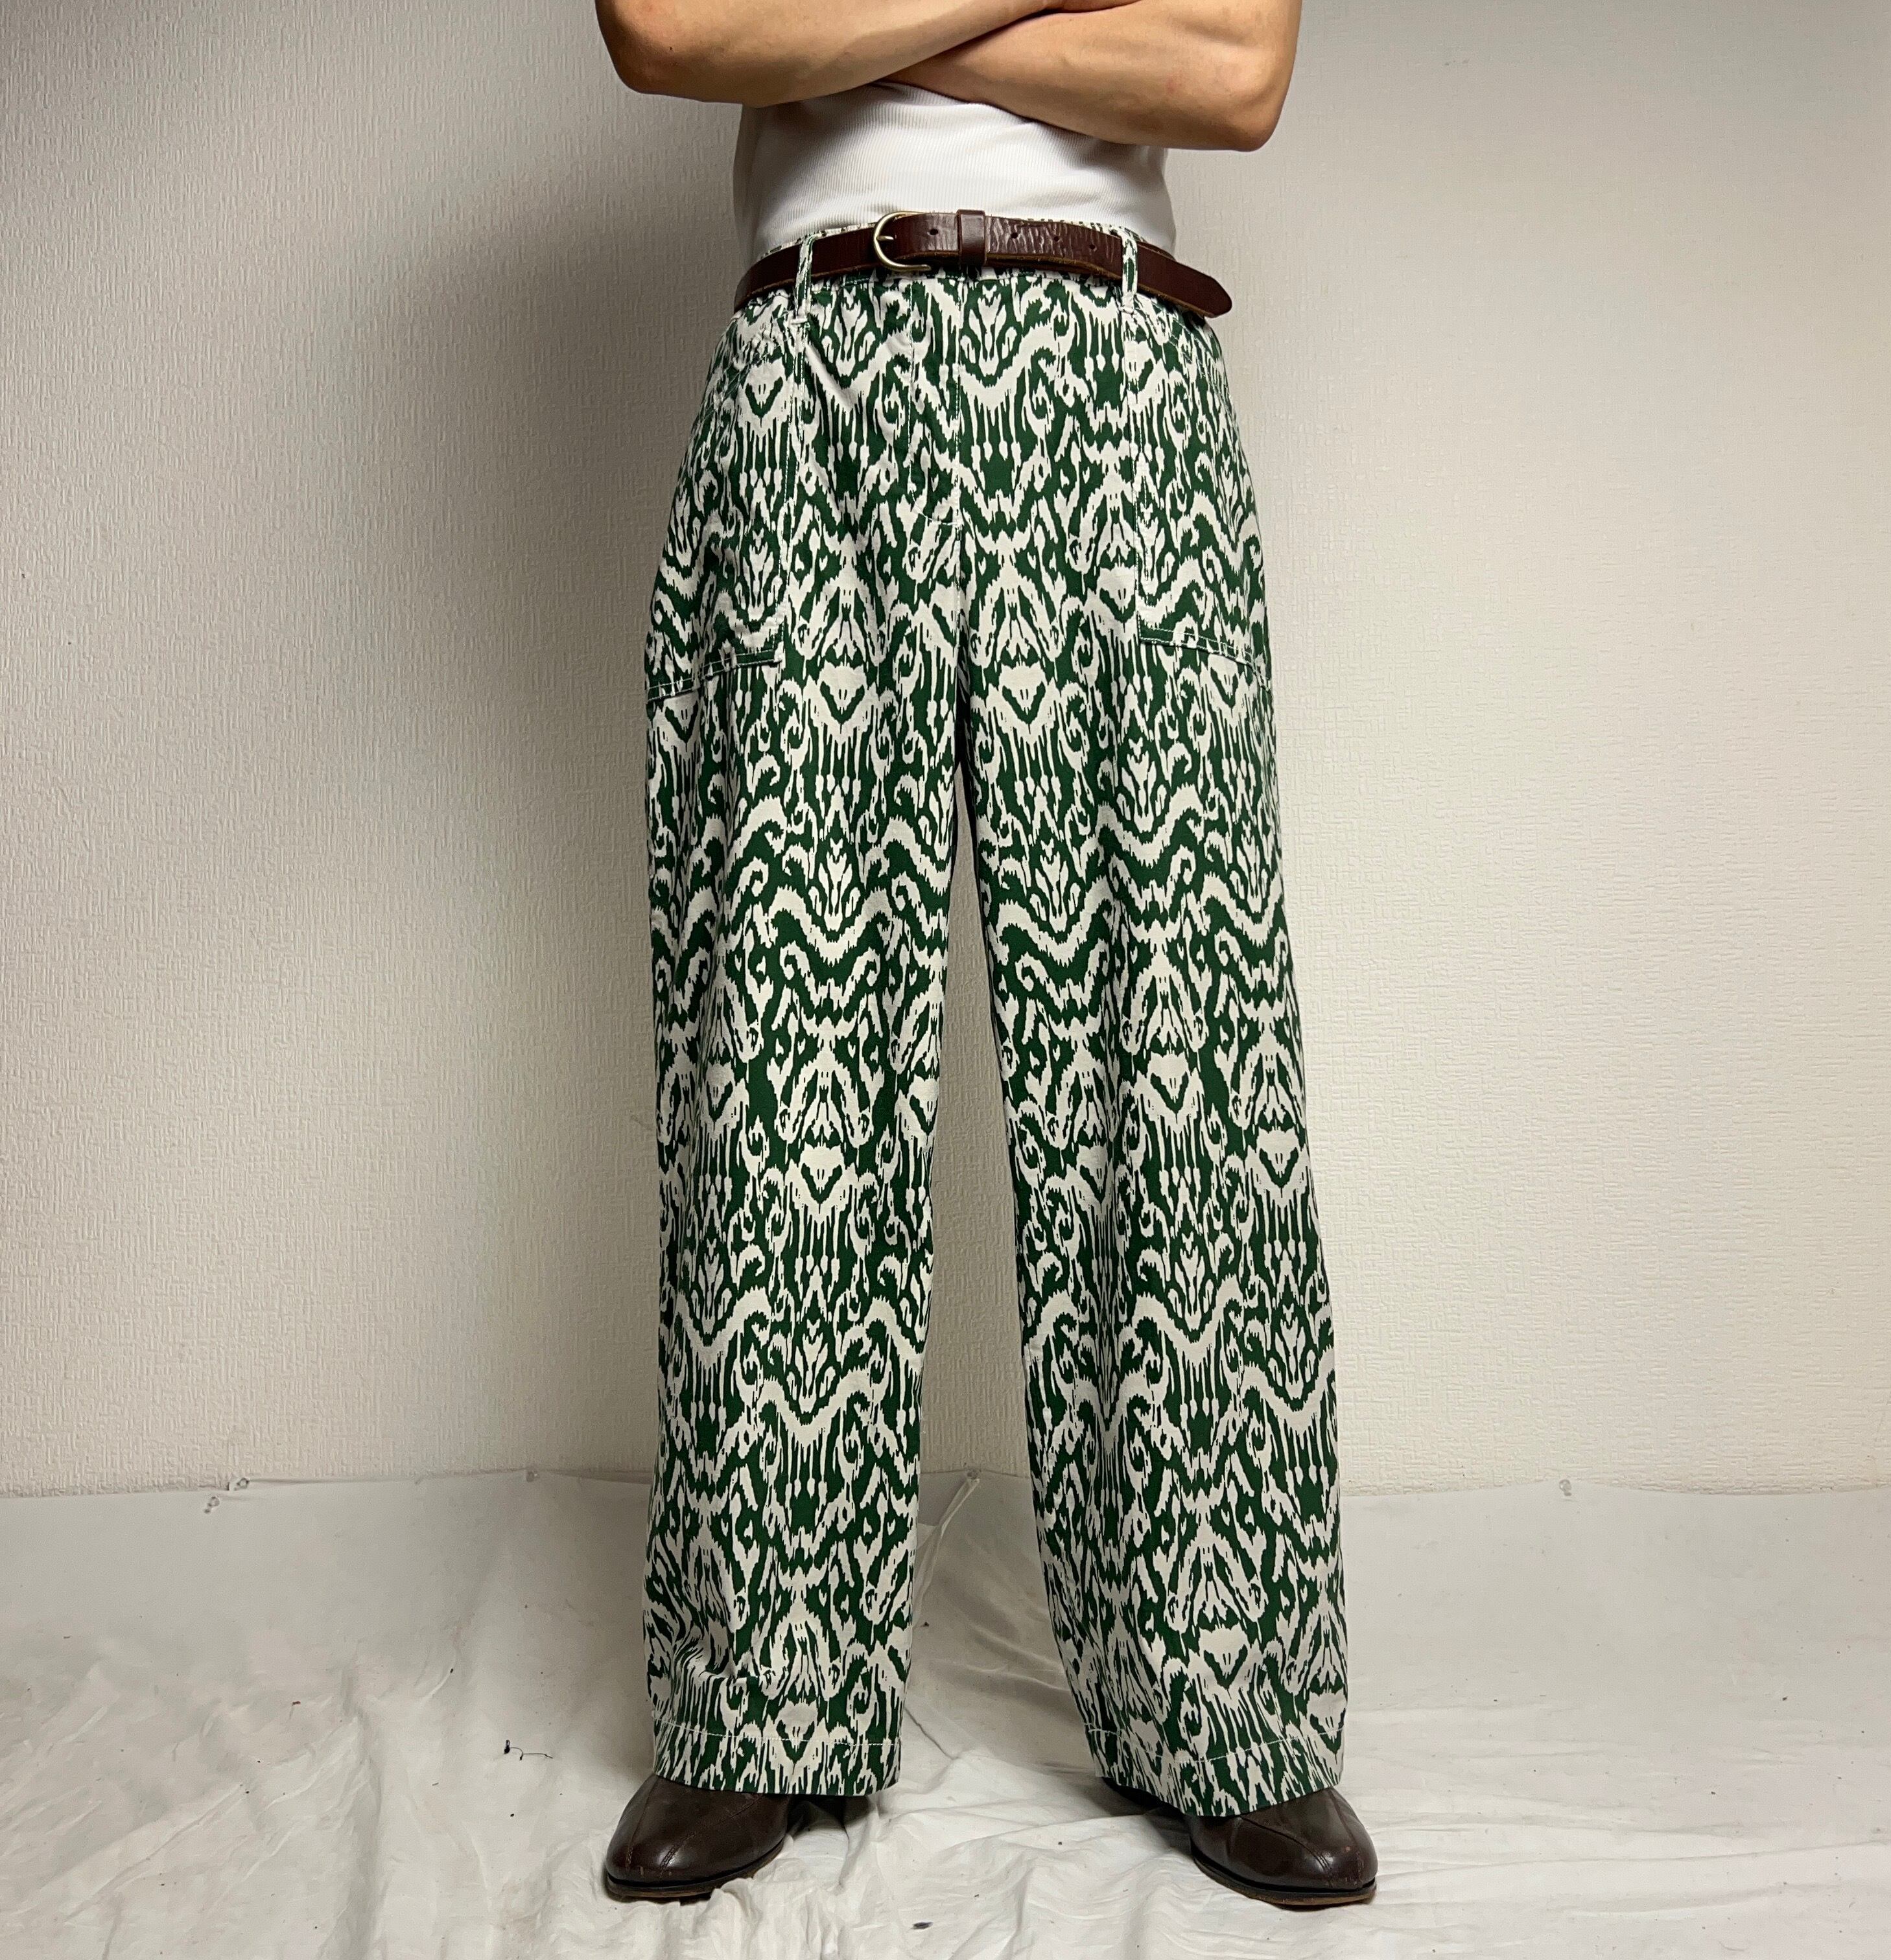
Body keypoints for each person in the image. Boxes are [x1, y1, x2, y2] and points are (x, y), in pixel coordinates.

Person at [591, 0, 1377, 1913]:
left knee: (1172, 1044)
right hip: (813, 375)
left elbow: (1235, 79)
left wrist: (842, 33)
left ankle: (1227, 1710)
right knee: (781, 1050)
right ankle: (754, 1704)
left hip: (1118, 375)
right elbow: (671, 27)